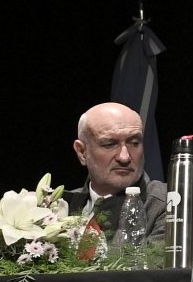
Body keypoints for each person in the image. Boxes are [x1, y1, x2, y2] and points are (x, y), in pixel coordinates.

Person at [70, 102, 168, 245]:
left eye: (134, 143)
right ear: (82, 152)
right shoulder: (56, 208)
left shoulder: (170, 203)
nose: (124, 157)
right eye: (109, 144)